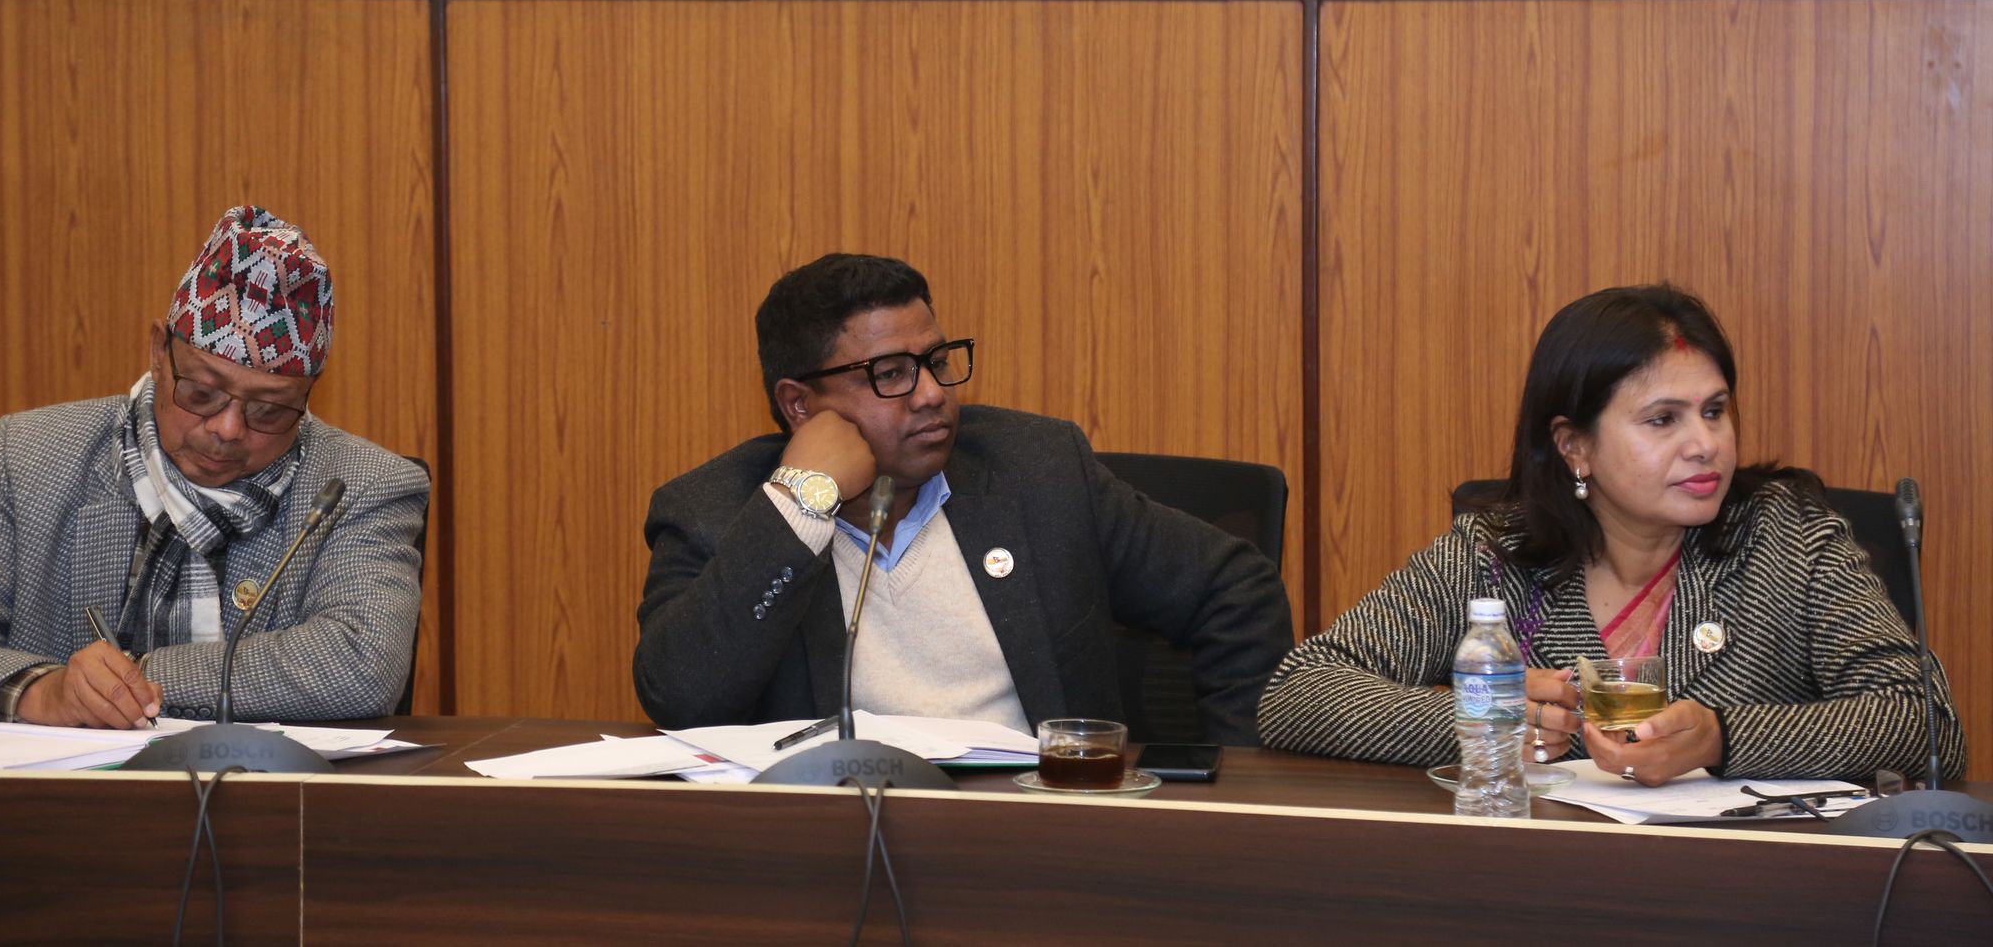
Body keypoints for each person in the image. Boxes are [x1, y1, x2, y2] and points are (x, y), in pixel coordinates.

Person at [1258, 283, 1966, 785]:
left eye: (1715, 411)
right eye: (1663, 420)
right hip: (1541, 887)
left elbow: (1923, 720)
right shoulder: (1495, 554)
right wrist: (1487, 713)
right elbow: (1298, 693)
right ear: (1575, 446)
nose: (1706, 445)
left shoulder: (1789, 536)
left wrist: (1722, 738)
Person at [635, 253, 1294, 743]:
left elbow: (1234, 586)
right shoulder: (714, 513)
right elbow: (680, 697)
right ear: (800, 406)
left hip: (1042, 836)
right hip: (835, 851)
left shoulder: (1039, 473)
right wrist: (800, 506)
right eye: (891, 374)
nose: (932, 394)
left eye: (938, 361)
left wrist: (1230, 787)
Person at [0, 206, 429, 728]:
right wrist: (41, 690)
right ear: (159, 352)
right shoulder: (33, 454)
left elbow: (362, 663)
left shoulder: (362, 485)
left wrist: (127, 682)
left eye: (269, 410)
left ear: (307, 396)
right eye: (201, 393)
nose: (228, 429)